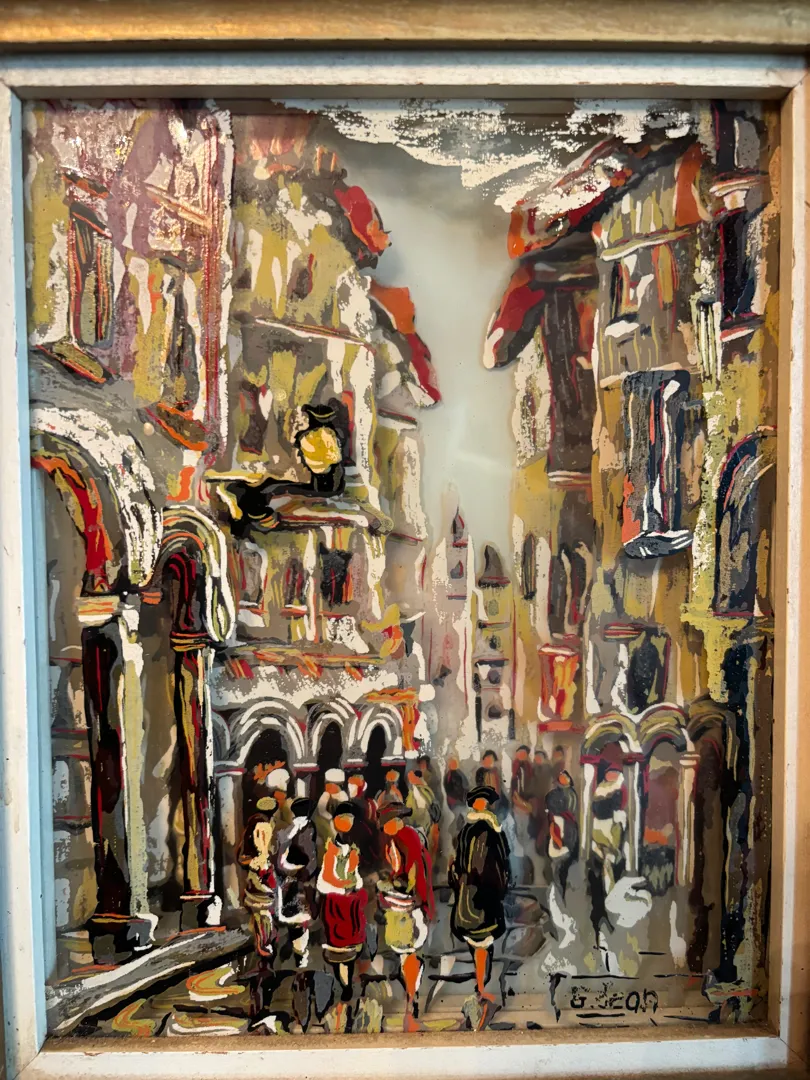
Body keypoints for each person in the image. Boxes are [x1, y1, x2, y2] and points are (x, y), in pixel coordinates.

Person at [449, 786, 511, 1021]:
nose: (482, 805)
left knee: (481, 943)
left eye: (484, 802)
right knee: (480, 941)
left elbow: (500, 859)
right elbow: (470, 861)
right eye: (479, 801)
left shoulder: (489, 827)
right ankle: (481, 989)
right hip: (477, 893)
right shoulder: (476, 829)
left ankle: (481, 988)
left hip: (480, 891)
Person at [377, 802, 435, 1031]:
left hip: (409, 905)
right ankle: (411, 1001)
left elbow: (411, 873)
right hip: (410, 903)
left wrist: (394, 884)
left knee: (408, 954)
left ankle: (410, 1004)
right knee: (409, 956)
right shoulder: (401, 838)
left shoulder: (405, 838)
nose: (384, 829)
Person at [316, 801, 368, 1023]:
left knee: (351, 946)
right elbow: (326, 878)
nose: (347, 823)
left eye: (350, 819)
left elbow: (355, 874)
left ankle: (347, 983)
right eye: (343, 819)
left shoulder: (353, 849)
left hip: (350, 904)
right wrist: (344, 886)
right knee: (339, 948)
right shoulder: (331, 850)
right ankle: (344, 985)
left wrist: (354, 885)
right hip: (336, 904)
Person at [275, 796, 318, 969]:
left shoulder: (308, 828)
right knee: (294, 915)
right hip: (292, 878)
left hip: (301, 877)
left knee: (300, 917)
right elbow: (282, 853)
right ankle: (298, 950)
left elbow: (311, 854)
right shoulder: (291, 830)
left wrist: (306, 871)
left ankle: (300, 952)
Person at [545, 770, 579, 898]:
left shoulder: (572, 794)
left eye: (565, 777)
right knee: (557, 865)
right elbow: (552, 806)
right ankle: (558, 893)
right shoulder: (553, 795)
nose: (564, 779)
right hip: (559, 827)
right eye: (561, 777)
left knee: (565, 865)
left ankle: (562, 892)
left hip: (569, 831)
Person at [510, 745, 540, 884]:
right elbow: (513, 792)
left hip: (528, 806)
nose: (520, 755)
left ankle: (527, 874)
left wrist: (528, 805)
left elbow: (534, 790)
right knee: (519, 837)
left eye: (523, 753)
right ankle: (520, 874)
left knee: (527, 838)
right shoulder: (515, 770)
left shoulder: (530, 770)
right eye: (519, 753)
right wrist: (520, 803)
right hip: (518, 807)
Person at [406, 767, 440, 858]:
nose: (409, 779)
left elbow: (428, 806)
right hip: (415, 821)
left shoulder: (423, 790)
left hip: (423, 822)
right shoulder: (414, 789)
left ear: (417, 778)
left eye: (411, 777)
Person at [315, 767, 348, 847]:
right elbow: (321, 810)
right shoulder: (326, 795)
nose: (327, 787)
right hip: (326, 822)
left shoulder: (343, 796)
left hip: (341, 823)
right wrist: (330, 818)